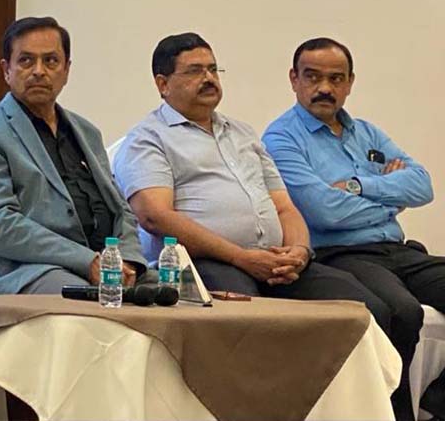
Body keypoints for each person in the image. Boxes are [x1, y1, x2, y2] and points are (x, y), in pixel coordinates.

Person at [113, 35, 394, 351]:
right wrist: (241, 257)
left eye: (213, 69)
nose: (208, 78)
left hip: (274, 262)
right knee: (255, 324)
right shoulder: (148, 139)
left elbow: (284, 207)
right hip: (205, 263)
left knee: (369, 310)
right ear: (163, 84)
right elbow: (155, 216)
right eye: (194, 71)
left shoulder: (242, 133)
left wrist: (299, 252)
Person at [263, 37, 445, 420]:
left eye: (336, 78)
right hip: (342, 254)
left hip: (399, 249)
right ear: (294, 79)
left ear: (350, 82)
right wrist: (392, 200)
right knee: (402, 311)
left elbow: (423, 185)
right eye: (312, 77)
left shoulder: (367, 133)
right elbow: (324, 212)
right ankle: (394, 414)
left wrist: (359, 186)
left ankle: (437, 398)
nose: (324, 88)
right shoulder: (280, 138)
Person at [0, 16, 148, 295]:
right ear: (6, 70)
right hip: (32, 270)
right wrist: (86, 261)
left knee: (178, 296)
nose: (39, 71)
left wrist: (125, 259)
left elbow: (120, 209)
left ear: (66, 70)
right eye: (26, 61)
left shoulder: (87, 132)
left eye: (51, 61)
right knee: (86, 304)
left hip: (104, 266)